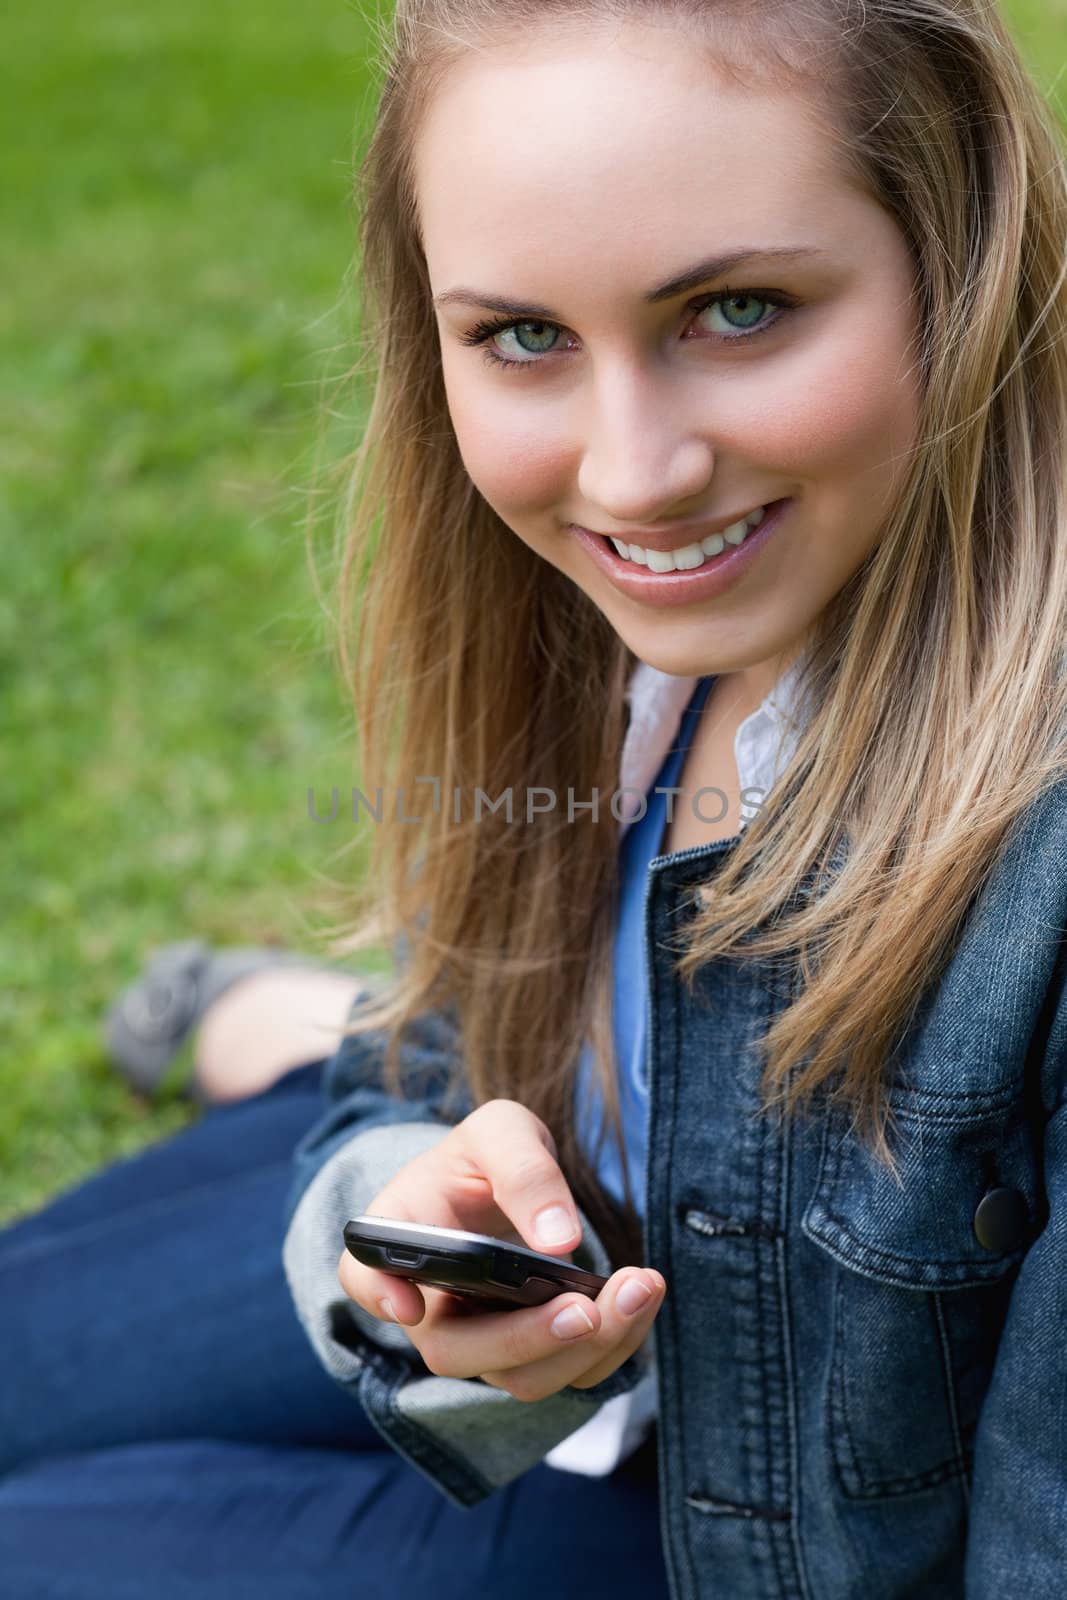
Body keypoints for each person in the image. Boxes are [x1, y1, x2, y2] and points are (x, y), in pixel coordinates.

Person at [3, 0, 1067, 1594]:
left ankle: (284, 1027)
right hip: (594, 1263)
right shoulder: (622, 631)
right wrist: (399, 1204)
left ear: (962, 252)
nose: (632, 474)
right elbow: (462, 1048)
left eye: (743, 308)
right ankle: (307, 1029)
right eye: (523, 337)